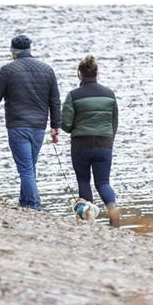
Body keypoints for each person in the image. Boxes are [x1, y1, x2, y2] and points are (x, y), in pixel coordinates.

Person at [0, 35, 61, 211]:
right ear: (30, 49)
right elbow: (54, 100)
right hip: (38, 128)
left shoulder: (8, 70)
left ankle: (33, 206)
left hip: (18, 127)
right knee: (29, 167)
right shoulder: (47, 70)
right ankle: (25, 202)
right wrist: (55, 127)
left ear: (12, 51)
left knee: (26, 169)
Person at [60, 55, 121, 227]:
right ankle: (113, 211)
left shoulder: (73, 95)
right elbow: (114, 122)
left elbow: (65, 125)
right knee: (103, 182)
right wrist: (109, 140)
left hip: (81, 144)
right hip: (104, 143)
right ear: (97, 72)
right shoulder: (109, 95)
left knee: (84, 180)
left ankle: (88, 219)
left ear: (80, 74)